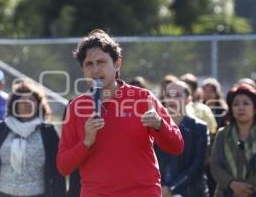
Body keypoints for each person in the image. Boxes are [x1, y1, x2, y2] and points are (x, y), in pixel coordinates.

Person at [56, 29, 184, 197]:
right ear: (83, 69)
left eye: (101, 62)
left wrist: (160, 125)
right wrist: (86, 143)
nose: (95, 70)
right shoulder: (75, 107)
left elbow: (177, 146)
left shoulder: (143, 98)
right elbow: (63, 167)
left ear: (117, 64)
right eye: (89, 64)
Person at [0, 79, 66, 197]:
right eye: (22, 101)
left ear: (38, 105)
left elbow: (58, 169)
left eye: (31, 100)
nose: (27, 104)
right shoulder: (0, 129)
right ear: (14, 105)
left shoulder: (47, 131)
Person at [157, 80, 209, 197]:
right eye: (169, 95)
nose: (172, 99)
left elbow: (197, 165)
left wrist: (171, 188)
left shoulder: (199, 128)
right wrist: (159, 187)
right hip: (158, 191)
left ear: (188, 100)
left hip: (190, 192)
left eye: (178, 95)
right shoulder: (156, 125)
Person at [210, 83, 256, 197]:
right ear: (231, 108)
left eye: (246, 103)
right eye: (236, 104)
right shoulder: (223, 133)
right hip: (226, 192)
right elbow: (215, 164)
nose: (241, 107)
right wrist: (232, 184)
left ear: (255, 108)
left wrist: (244, 188)